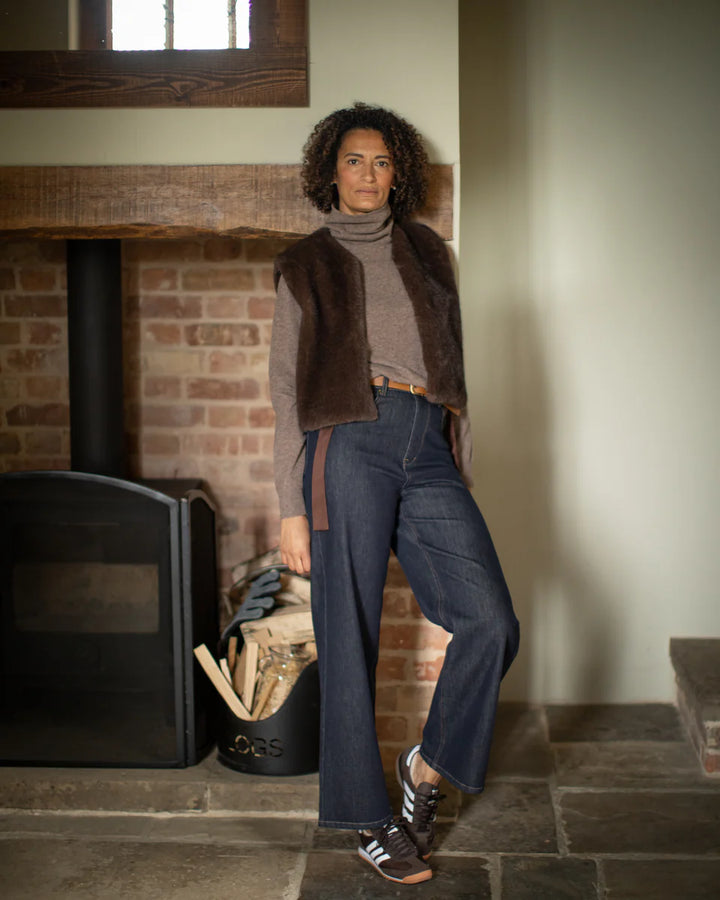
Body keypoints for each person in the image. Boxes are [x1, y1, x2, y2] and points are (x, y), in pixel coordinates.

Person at [269, 102, 519, 886]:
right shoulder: (304, 263)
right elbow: (283, 391)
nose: (368, 174)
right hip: (348, 442)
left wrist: (458, 463)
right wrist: (290, 506)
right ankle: (366, 818)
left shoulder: (427, 251)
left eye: (382, 162)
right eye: (354, 160)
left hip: (427, 441)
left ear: (397, 172)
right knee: (349, 633)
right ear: (330, 170)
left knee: (491, 621)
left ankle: (426, 767)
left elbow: (456, 366)